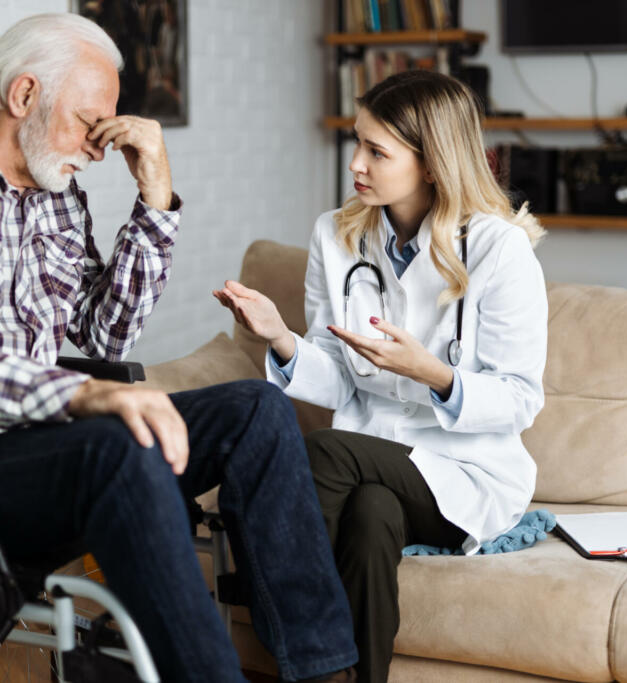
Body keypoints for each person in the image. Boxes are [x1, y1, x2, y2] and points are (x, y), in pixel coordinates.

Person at [0, 13, 357, 683]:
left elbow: (105, 335)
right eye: (86, 122)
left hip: (37, 446)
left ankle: (321, 670)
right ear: (23, 97)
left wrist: (155, 198)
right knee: (116, 441)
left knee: (258, 410)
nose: (99, 147)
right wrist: (82, 393)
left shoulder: (57, 196)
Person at [214, 70, 548, 683]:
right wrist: (281, 339)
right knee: (368, 516)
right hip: (374, 464)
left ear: (430, 163)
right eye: (357, 144)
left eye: (377, 151)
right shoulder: (335, 235)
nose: (356, 165)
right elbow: (340, 380)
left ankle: (276, 624)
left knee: (319, 454)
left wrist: (436, 376)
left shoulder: (500, 250)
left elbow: (521, 400)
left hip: (465, 472)